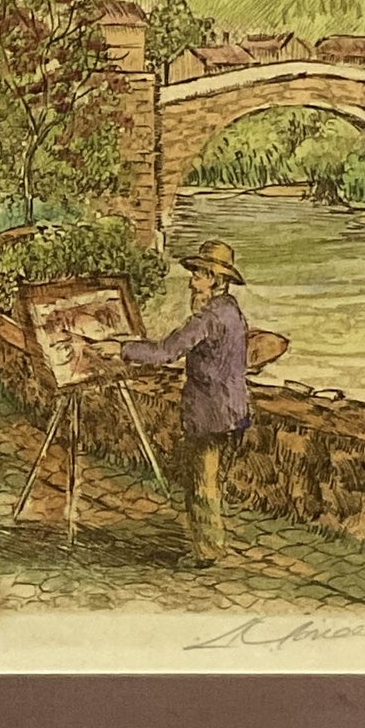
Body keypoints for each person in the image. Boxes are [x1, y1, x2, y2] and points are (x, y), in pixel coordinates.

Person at [116, 240, 251, 569]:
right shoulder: (231, 309)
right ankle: (212, 543)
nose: (192, 282)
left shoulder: (209, 317)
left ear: (214, 279)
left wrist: (122, 348)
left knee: (202, 485)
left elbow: (166, 352)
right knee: (211, 482)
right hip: (234, 411)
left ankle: (207, 552)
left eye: (198, 275)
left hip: (210, 414)